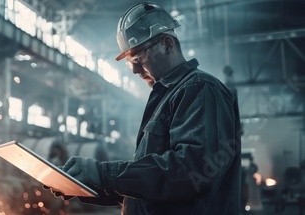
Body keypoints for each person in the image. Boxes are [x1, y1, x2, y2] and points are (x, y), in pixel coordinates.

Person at [45, 1, 242, 214]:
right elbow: (150, 189)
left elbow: (190, 171)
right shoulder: (168, 97)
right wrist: (86, 184)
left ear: (167, 43)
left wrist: (104, 173)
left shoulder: (200, 90)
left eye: (138, 58)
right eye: (130, 62)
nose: (134, 70)